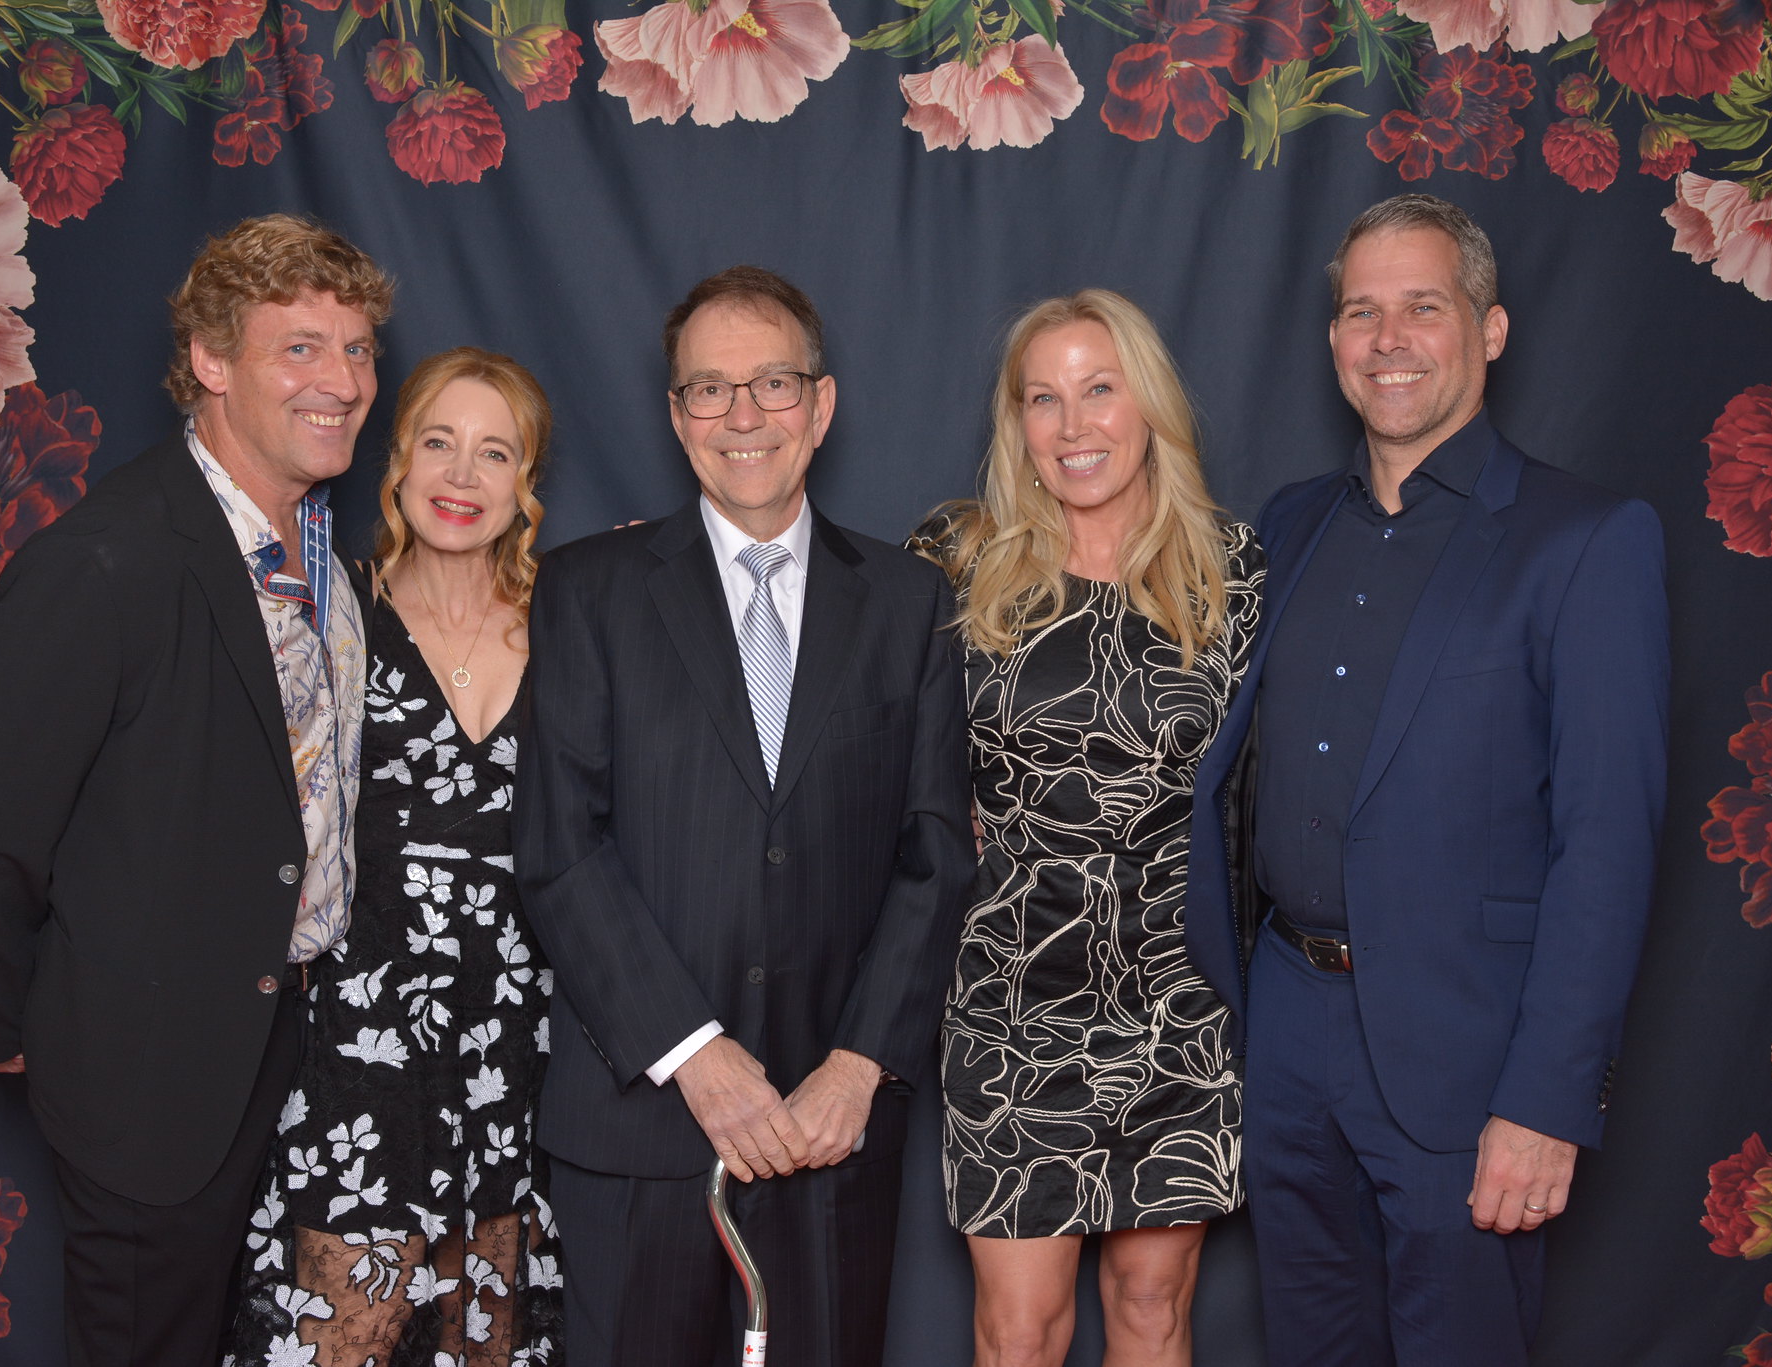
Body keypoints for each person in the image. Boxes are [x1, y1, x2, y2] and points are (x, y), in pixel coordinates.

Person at [1185, 193, 1670, 1366]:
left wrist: (1548, 1100)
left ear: (1488, 328)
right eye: (1360, 311)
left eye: (1421, 307)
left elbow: (1605, 842)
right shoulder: (1289, 526)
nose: (1386, 338)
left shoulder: (1585, 540)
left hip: (1471, 1055)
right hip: (1290, 1024)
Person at [0, 214, 392, 1367]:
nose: (342, 382)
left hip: (275, 1032)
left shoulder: (319, 548)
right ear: (212, 362)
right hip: (145, 1068)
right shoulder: (110, 557)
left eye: (360, 348)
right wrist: (25, 1031)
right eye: (301, 349)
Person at [513, 264, 974, 1367]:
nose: (742, 416)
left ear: (820, 405)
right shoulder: (587, 587)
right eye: (708, 390)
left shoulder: (908, 602)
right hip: (640, 1120)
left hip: (829, 1127)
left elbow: (935, 854)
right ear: (676, 416)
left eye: (771, 384)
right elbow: (559, 848)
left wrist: (859, 1062)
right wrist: (696, 1055)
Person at [911, 289, 1264, 1367]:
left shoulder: (1236, 573)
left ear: (1148, 403)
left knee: (1155, 1309)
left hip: (1178, 1000)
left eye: (1098, 389)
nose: (1073, 427)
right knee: (1019, 1332)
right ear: (1013, 423)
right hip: (1011, 995)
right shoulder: (954, 560)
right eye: (1042, 398)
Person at [224, 348, 562, 1365]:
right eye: (439, 444)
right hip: (354, 1042)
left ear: (526, 481)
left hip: (509, 1051)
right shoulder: (328, 608)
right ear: (397, 461)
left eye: (493, 452)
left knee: (477, 1343)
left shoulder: (575, 625)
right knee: (340, 1339)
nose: (461, 478)